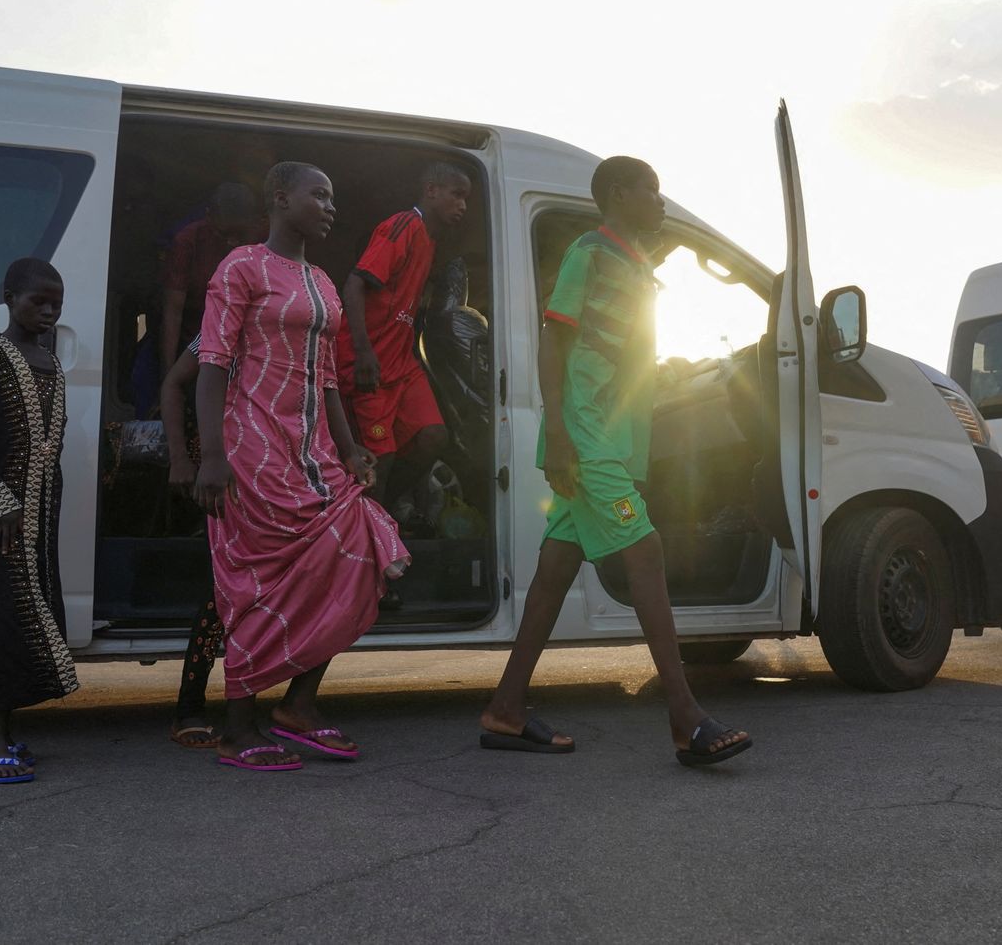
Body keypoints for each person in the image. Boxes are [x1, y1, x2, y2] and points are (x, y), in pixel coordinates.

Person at [477, 156, 752, 767]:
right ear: (619, 195)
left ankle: (505, 707)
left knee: (555, 570)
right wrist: (561, 431)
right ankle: (685, 716)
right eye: (650, 190)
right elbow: (555, 339)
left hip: (608, 441)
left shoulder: (636, 266)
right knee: (646, 551)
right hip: (586, 437)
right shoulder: (590, 255)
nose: (660, 200)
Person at [193, 161, 408, 772]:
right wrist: (211, 455)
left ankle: (299, 705)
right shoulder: (241, 266)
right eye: (320, 194)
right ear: (280, 199)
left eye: (332, 197)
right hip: (253, 449)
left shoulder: (325, 285)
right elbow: (211, 364)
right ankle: (237, 727)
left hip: (313, 453)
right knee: (253, 584)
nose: (330, 205)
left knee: (360, 555)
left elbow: (329, 381)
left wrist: (348, 447)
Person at [0, 257, 81, 784]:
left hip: (42, 509)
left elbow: (54, 440)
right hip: (2, 514)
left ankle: (8, 729)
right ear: (9, 297)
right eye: (37, 301)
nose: (48, 310)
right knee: (4, 616)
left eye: (56, 303)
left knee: (34, 612)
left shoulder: (48, 357)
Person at [338, 162, 472, 513]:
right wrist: (364, 353)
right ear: (431, 191)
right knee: (380, 460)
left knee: (434, 437)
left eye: (466, 199)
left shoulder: (428, 241)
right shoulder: (402, 226)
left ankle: (387, 509)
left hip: (401, 363)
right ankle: (371, 531)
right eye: (457, 195)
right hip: (370, 367)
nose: (463, 206)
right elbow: (353, 286)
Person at [159, 336, 227, 748]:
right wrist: (181, 456)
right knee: (218, 595)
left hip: (275, 474)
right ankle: (190, 706)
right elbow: (173, 384)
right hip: (222, 476)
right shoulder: (217, 328)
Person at [160, 183, 263, 378]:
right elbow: (172, 314)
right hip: (193, 340)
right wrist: (167, 378)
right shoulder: (188, 241)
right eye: (224, 234)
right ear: (209, 217)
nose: (232, 242)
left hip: (250, 348)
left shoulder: (267, 242)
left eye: (240, 235)